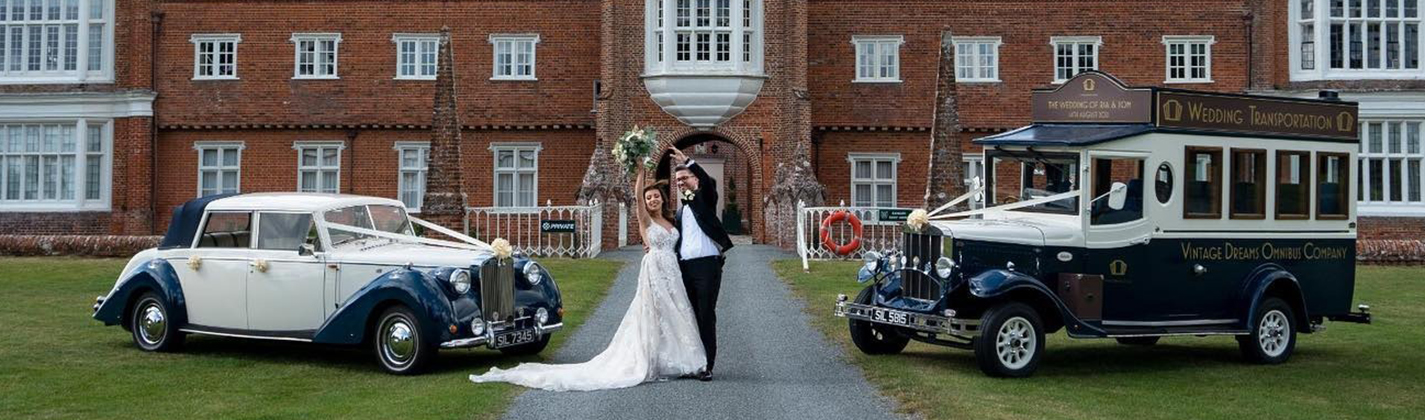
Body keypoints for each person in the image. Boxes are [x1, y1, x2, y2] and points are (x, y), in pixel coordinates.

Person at [468, 166, 705, 391]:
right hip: (654, 269)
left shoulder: (672, 220)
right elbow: (637, 198)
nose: (652, 200)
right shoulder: (646, 221)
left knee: (676, 312)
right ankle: (653, 359)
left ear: (662, 198)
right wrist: (641, 172)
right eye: (649, 198)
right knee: (656, 311)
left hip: (672, 270)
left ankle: (677, 358)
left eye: (655, 197)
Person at [669, 147, 734, 382]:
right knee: (689, 315)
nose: (680, 182)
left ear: (695, 179)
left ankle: (707, 365)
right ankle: (691, 362)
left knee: (706, 314)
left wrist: (688, 161)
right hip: (685, 267)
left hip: (707, 266)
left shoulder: (705, 199)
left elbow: (706, 182)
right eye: (677, 179)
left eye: (685, 177)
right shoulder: (681, 211)